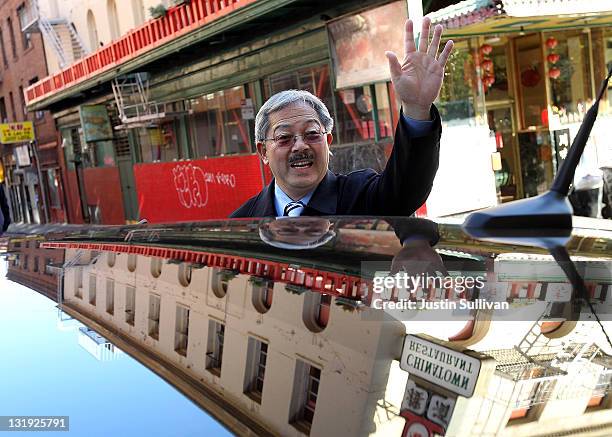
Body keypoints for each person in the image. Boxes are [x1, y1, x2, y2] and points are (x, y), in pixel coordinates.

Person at [230, 18, 453, 218]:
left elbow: (404, 190)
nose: (300, 146)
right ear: (263, 151)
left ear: (327, 142)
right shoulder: (243, 223)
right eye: (284, 137)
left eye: (312, 134)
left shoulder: (362, 197)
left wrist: (416, 109)